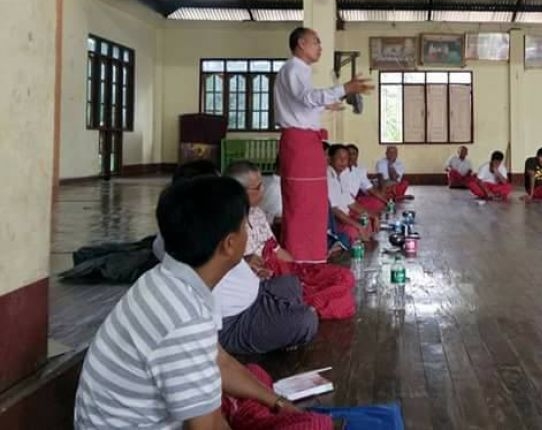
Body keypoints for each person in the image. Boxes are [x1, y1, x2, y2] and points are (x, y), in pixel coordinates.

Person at [74, 176, 305, 428]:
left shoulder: (170, 280)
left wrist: (276, 402)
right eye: (244, 227)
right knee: (313, 425)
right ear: (229, 244)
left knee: (256, 384)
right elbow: (208, 425)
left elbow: (219, 360)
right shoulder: (185, 319)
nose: (247, 234)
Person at [155, 162, 319, 356]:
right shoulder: (193, 242)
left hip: (255, 292)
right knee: (306, 321)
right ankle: (282, 323)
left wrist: (248, 263)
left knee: (291, 284)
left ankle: (281, 320)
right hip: (235, 320)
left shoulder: (206, 227)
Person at [275, 26, 372, 263]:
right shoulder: (293, 68)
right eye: (316, 41)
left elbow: (304, 106)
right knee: (302, 204)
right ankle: (301, 260)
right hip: (299, 146)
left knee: (316, 204)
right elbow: (307, 98)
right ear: (301, 43)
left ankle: (314, 256)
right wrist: (344, 89)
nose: (320, 47)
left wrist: (326, 105)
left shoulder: (301, 71)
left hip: (308, 144)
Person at [227, 160, 356, 321]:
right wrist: (245, 262)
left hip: (282, 273)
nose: (263, 190)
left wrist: (300, 271)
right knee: (340, 299)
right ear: (238, 191)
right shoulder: (226, 223)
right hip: (261, 284)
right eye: (258, 187)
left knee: (344, 276)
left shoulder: (257, 214)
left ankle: (303, 304)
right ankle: (300, 307)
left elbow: (277, 250)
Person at [328, 144, 373, 243]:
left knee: (367, 222)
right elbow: (334, 210)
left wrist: (373, 216)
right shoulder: (327, 176)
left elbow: (350, 202)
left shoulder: (343, 175)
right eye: (339, 158)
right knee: (355, 231)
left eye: (346, 158)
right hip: (334, 221)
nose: (343, 161)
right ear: (330, 158)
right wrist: (357, 225)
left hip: (346, 216)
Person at [346, 143, 387, 214]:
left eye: (353, 154)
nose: (350, 156)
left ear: (357, 156)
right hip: (343, 203)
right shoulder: (339, 171)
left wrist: (387, 202)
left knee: (379, 203)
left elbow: (371, 189)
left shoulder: (358, 172)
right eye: (348, 154)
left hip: (353, 202)